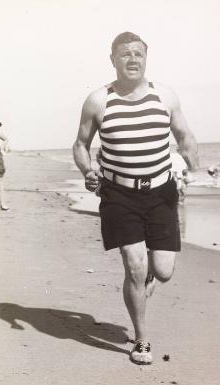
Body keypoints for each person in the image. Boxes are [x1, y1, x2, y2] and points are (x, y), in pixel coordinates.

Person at [73, 32, 199, 365]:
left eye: (138, 54)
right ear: (112, 59)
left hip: (161, 192)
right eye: (125, 54)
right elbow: (81, 144)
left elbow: (185, 136)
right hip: (118, 193)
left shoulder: (165, 97)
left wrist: (193, 163)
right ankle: (142, 340)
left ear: (146, 57)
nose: (132, 59)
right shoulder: (98, 100)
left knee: (163, 270)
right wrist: (87, 170)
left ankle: (142, 284)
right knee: (134, 264)